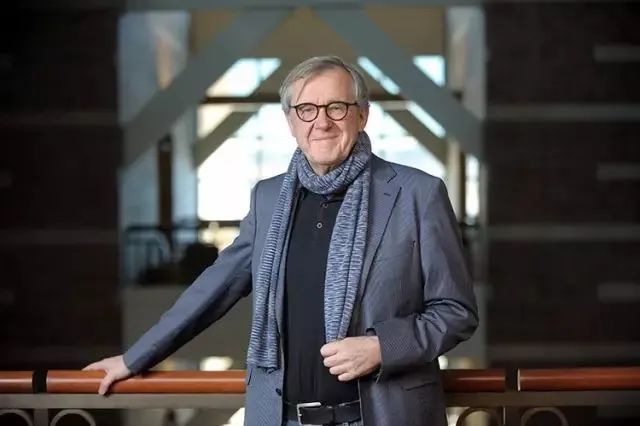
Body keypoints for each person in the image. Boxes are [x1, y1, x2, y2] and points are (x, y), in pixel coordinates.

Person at [84, 56, 478, 426]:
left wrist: (382, 347)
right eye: (306, 109)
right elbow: (212, 290)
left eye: (336, 107)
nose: (321, 122)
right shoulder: (269, 198)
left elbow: (456, 310)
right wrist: (135, 358)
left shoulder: (417, 194)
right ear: (291, 121)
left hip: (381, 416)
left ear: (362, 115)